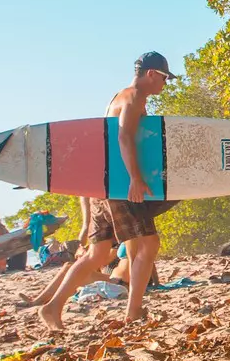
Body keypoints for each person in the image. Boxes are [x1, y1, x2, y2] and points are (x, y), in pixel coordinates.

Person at [37, 52, 179, 329]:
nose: (165, 84)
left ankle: (53, 307)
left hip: (103, 186)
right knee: (149, 244)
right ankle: (133, 311)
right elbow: (124, 137)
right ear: (151, 74)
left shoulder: (118, 96)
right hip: (120, 187)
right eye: (164, 78)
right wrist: (136, 179)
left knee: (98, 254)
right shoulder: (134, 97)